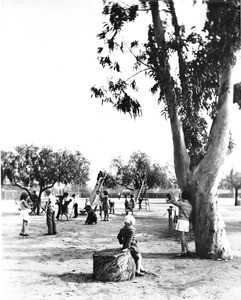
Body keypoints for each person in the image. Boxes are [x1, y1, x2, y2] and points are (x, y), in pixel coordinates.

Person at [168, 191, 193, 257]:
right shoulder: (190, 205)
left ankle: (183, 251)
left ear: (182, 196)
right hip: (187, 221)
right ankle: (187, 250)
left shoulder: (182, 204)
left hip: (181, 220)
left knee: (181, 237)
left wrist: (172, 196)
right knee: (185, 237)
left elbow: (173, 202)